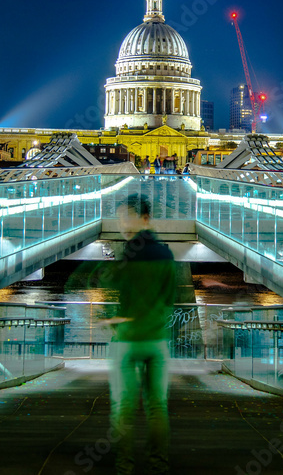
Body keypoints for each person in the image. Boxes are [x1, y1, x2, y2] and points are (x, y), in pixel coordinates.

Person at [100, 194, 177, 475]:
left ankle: (125, 467)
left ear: (143, 219)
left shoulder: (128, 253)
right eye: (120, 217)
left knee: (124, 407)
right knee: (158, 407)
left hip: (128, 341)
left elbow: (120, 294)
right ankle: (159, 465)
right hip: (157, 341)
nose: (122, 223)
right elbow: (169, 297)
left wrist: (113, 320)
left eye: (126, 216)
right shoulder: (167, 255)